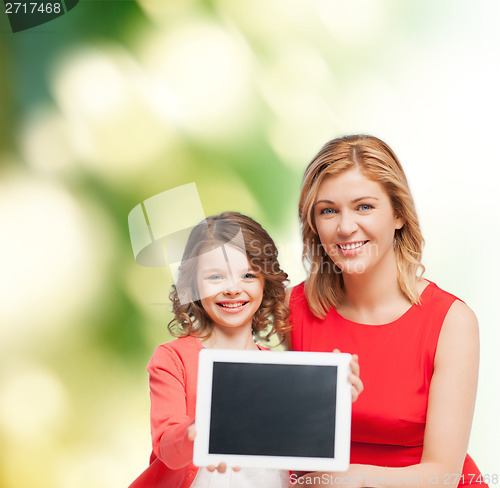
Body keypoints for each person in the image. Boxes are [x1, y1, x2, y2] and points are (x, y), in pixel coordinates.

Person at [288, 134, 487, 488]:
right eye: (328, 210)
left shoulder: (451, 322)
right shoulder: (293, 311)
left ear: (398, 214)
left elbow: (441, 474)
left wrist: (346, 479)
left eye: (364, 206)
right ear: (314, 224)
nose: (346, 227)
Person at [129, 211, 363, 488]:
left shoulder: (281, 371)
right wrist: (196, 431)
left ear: (266, 283)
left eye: (248, 275)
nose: (232, 289)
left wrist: (329, 403)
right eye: (215, 277)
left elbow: (302, 454)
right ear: (191, 285)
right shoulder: (173, 359)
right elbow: (167, 449)